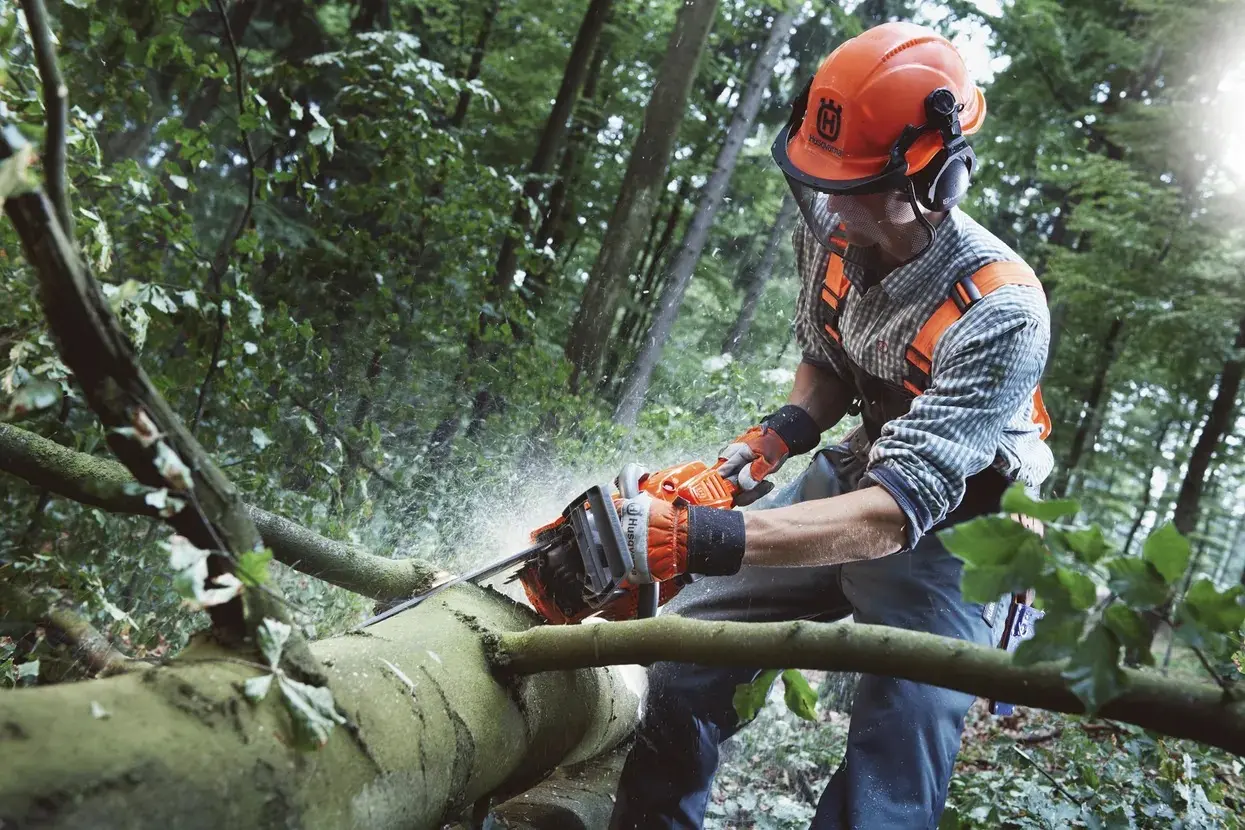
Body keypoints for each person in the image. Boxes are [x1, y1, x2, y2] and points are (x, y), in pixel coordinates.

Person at [604, 20, 1056, 830]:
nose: (832, 205)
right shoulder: (833, 229)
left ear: (937, 178)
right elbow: (830, 361)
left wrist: (703, 536)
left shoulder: (1003, 311)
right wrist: (768, 441)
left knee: (902, 743)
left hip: (960, 522)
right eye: (822, 180)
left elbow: (894, 514)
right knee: (681, 653)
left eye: (855, 186)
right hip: (861, 465)